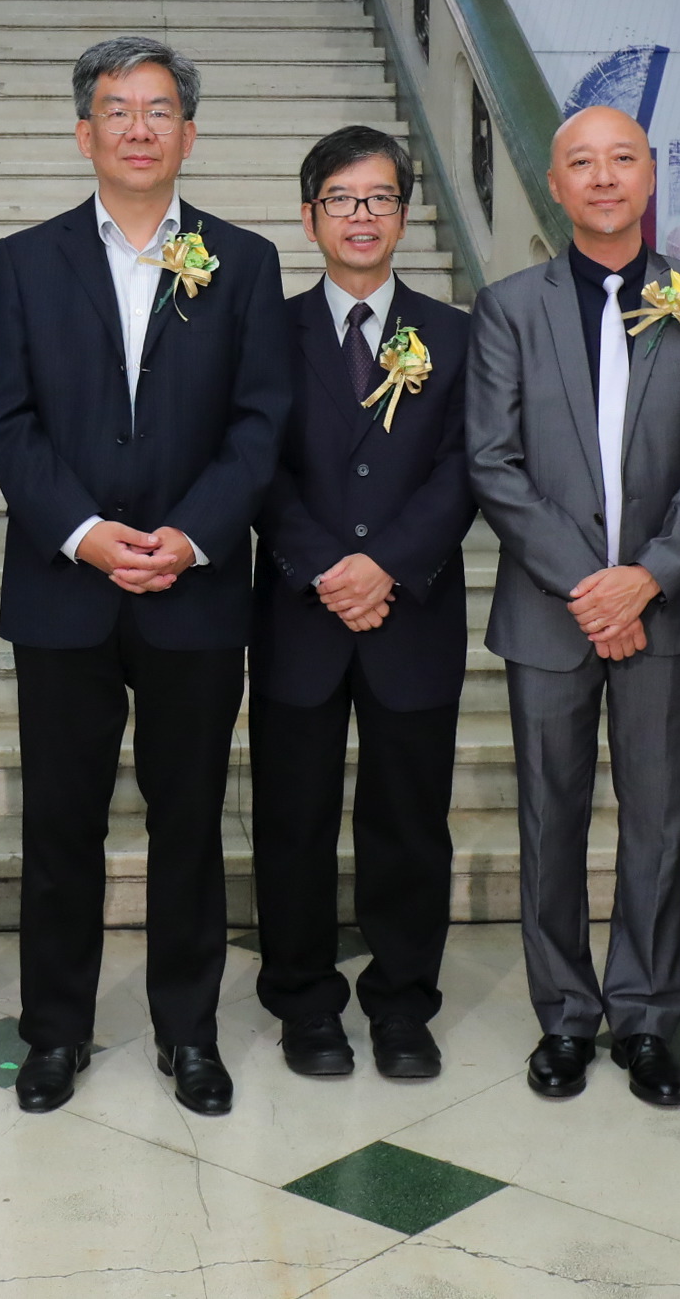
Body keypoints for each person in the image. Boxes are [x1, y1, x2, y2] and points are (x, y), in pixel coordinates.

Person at [0, 36, 290, 1116]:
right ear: (84, 133)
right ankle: (54, 1032)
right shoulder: (24, 260)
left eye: (159, 110)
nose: (138, 128)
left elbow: (259, 422)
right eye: (116, 110)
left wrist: (190, 535)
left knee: (190, 820)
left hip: (192, 587)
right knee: (59, 825)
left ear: (189, 134)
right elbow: (12, 423)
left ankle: (188, 1033)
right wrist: (84, 532)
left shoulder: (243, 261)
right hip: (64, 587)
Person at [468, 106, 680, 1108]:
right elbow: (493, 464)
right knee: (550, 815)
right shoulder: (508, 307)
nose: (601, 177)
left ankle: (644, 1016)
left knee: (656, 819)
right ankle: (564, 1014)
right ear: (554, 184)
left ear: (648, 177)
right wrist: (592, 586)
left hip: (664, 608)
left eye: (620, 159)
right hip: (552, 610)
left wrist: (647, 577)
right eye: (580, 162)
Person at [250, 126, 475, 1085]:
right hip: (299, 615)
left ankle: (402, 1002)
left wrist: (385, 564)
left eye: (379, 197)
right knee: (291, 820)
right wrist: (321, 566)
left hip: (410, 613)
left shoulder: (454, 334)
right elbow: (251, 462)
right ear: (309, 217)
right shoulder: (265, 330)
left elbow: (465, 467)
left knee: (408, 822)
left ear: (404, 214)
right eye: (340, 198)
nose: (361, 215)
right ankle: (302, 1000)